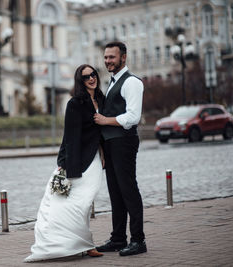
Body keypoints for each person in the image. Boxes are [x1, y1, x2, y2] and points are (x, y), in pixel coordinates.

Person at [24, 64, 105, 262]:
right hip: (77, 161)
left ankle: (84, 244)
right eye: (86, 77)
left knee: (85, 203)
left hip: (95, 158)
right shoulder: (75, 103)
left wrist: (103, 154)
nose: (91, 79)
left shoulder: (103, 99)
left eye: (93, 75)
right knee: (74, 205)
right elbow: (70, 136)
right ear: (80, 81)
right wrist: (65, 163)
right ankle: (81, 244)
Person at [93, 41, 147, 256]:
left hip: (124, 143)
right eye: (106, 57)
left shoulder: (132, 82)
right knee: (115, 193)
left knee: (128, 191)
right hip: (112, 145)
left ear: (123, 57)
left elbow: (133, 117)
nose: (108, 61)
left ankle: (138, 240)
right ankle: (118, 238)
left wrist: (105, 120)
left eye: (112, 57)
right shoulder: (112, 81)